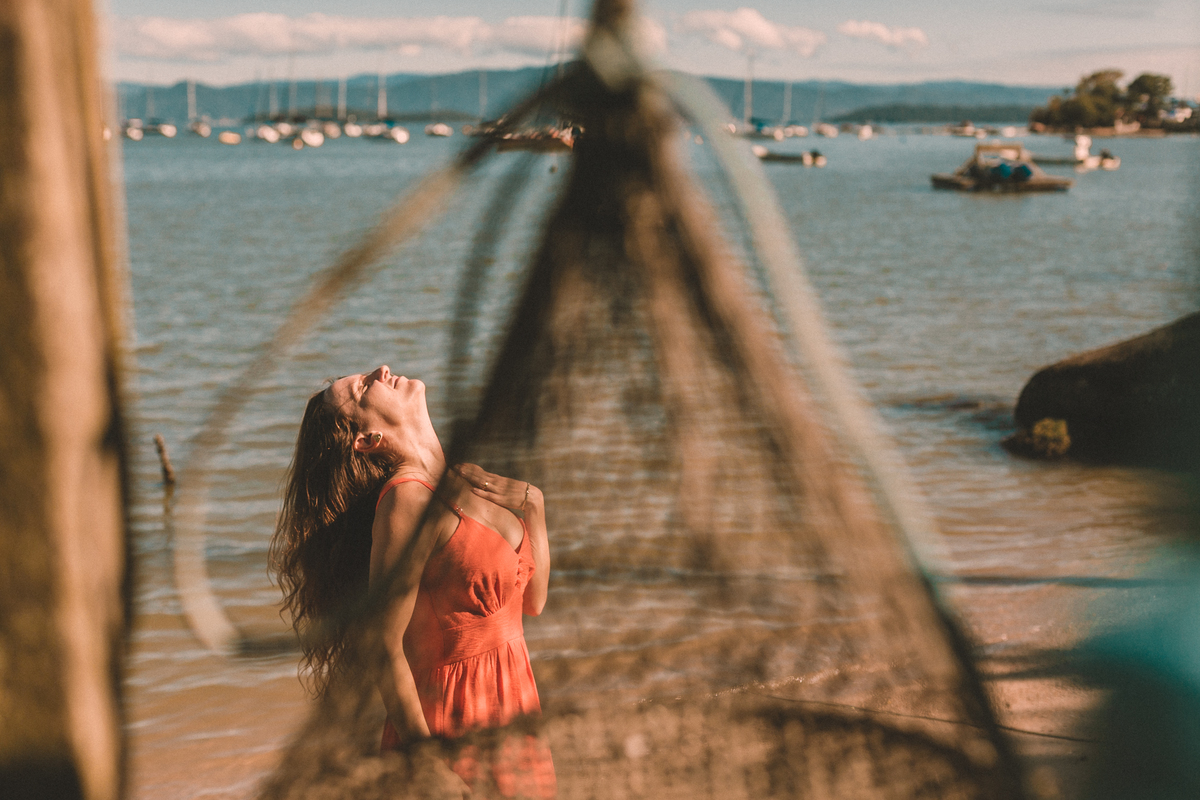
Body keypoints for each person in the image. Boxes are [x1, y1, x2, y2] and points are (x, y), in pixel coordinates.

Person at [270, 365, 555, 797]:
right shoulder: (406, 498)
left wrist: (536, 508)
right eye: (365, 386)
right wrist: (428, 762)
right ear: (367, 440)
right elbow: (381, 643)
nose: (382, 370)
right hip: (455, 721)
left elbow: (530, 601)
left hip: (515, 707)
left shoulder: (466, 478)